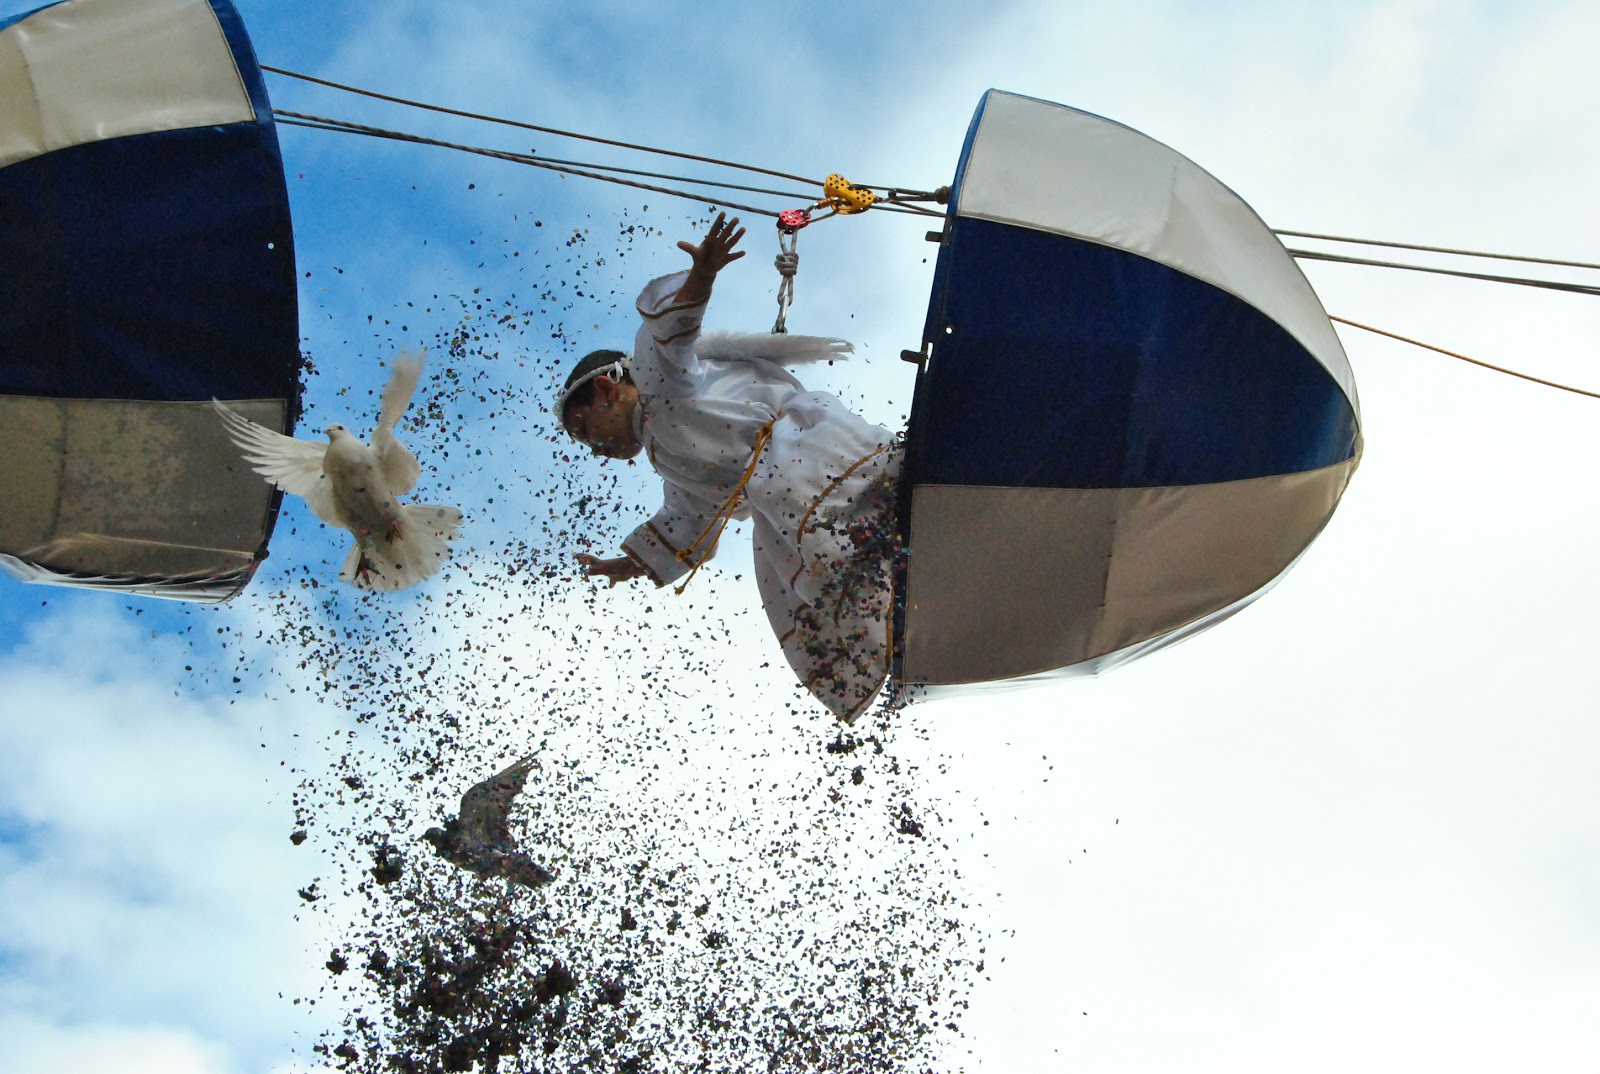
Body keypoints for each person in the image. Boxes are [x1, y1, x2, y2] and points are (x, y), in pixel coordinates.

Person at [557, 214, 901, 722]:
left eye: (586, 429)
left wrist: (702, 275)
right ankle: (889, 606)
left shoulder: (657, 383)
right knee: (786, 570)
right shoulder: (668, 461)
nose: (595, 448)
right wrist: (636, 562)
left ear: (608, 389)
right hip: (780, 495)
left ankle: (894, 523)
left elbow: (670, 332)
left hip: (806, 448)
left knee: (786, 491)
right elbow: (689, 518)